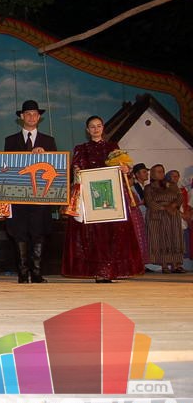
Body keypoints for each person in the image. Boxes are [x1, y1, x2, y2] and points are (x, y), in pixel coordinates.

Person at [61, 116, 143, 282]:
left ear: (103, 128)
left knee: (114, 233)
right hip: (91, 197)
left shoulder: (113, 147)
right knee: (94, 234)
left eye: (98, 126)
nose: (96, 129)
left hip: (112, 196)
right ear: (87, 130)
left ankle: (112, 271)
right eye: (92, 126)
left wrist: (125, 169)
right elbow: (75, 170)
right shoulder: (81, 149)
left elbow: (123, 168)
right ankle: (99, 272)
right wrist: (76, 171)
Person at [3, 100, 57, 283]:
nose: (32, 117)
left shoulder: (49, 141)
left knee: (39, 233)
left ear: (39, 117)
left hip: (41, 198)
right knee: (19, 234)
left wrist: (46, 155)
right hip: (18, 198)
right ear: (21, 116)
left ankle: (36, 273)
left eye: (35, 114)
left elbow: (56, 169)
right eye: (28, 114)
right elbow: (6, 168)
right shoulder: (10, 141)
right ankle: (22, 273)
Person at [145, 164, 184, 273]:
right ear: (152, 174)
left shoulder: (172, 185)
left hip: (172, 214)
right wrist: (164, 208)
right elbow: (149, 202)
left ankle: (176, 265)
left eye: (162, 171)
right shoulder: (149, 187)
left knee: (175, 238)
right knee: (160, 239)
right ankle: (164, 265)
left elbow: (180, 197)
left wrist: (173, 205)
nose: (161, 173)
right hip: (157, 215)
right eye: (158, 171)